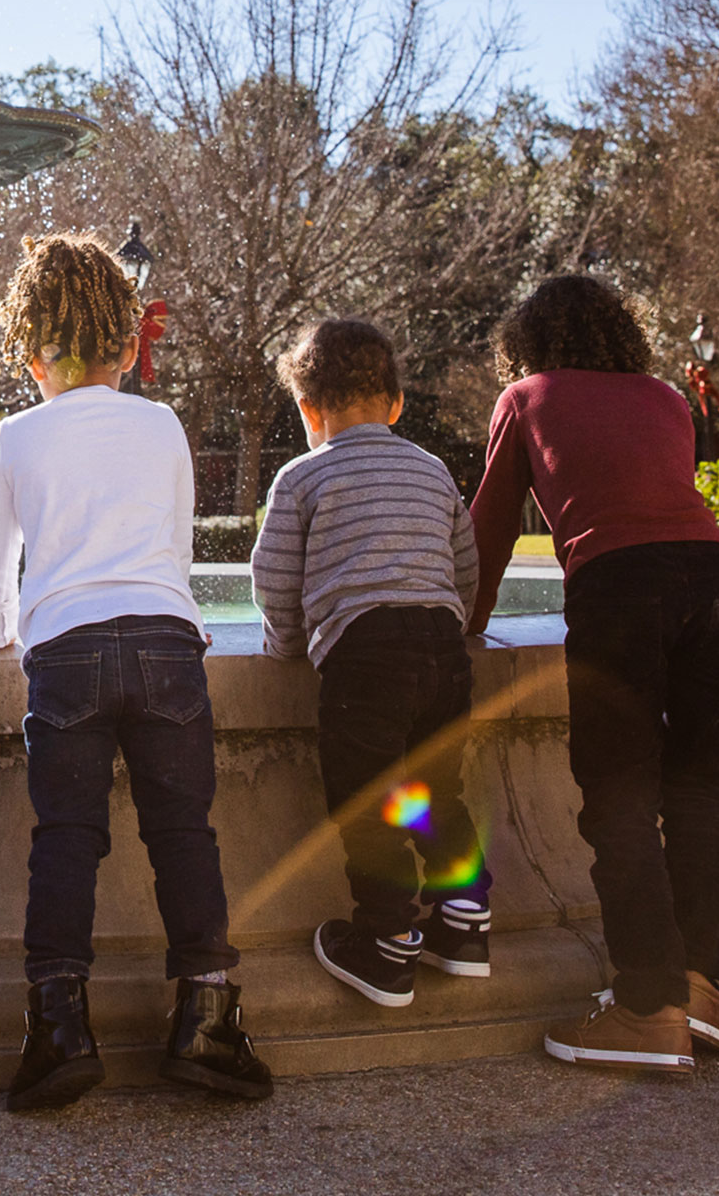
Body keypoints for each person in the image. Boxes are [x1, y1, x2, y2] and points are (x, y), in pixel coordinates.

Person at [0, 232, 272, 1112]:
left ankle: (58, 1031)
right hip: (167, 642)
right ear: (129, 347)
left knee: (67, 839)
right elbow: (172, 540)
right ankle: (206, 1019)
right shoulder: (160, 423)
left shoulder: (17, 434)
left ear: (30, 352)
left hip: (66, 650)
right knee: (183, 832)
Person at [470, 274, 719, 1076]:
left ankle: (646, 1008)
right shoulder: (665, 397)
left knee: (619, 797)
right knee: (699, 791)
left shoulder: (526, 396)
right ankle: (702, 988)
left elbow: (492, 524)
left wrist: (469, 624)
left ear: (528, 340)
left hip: (619, 588)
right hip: (712, 578)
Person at [250, 316, 493, 1008]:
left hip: (367, 658)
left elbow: (276, 580)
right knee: (433, 793)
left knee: (373, 801)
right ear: (396, 405)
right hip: (441, 651)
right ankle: (465, 917)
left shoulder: (302, 476)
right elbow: (465, 564)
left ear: (308, 409)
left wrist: (284, 646)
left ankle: (387, 942)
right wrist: (455, 624)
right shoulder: (431, 467)